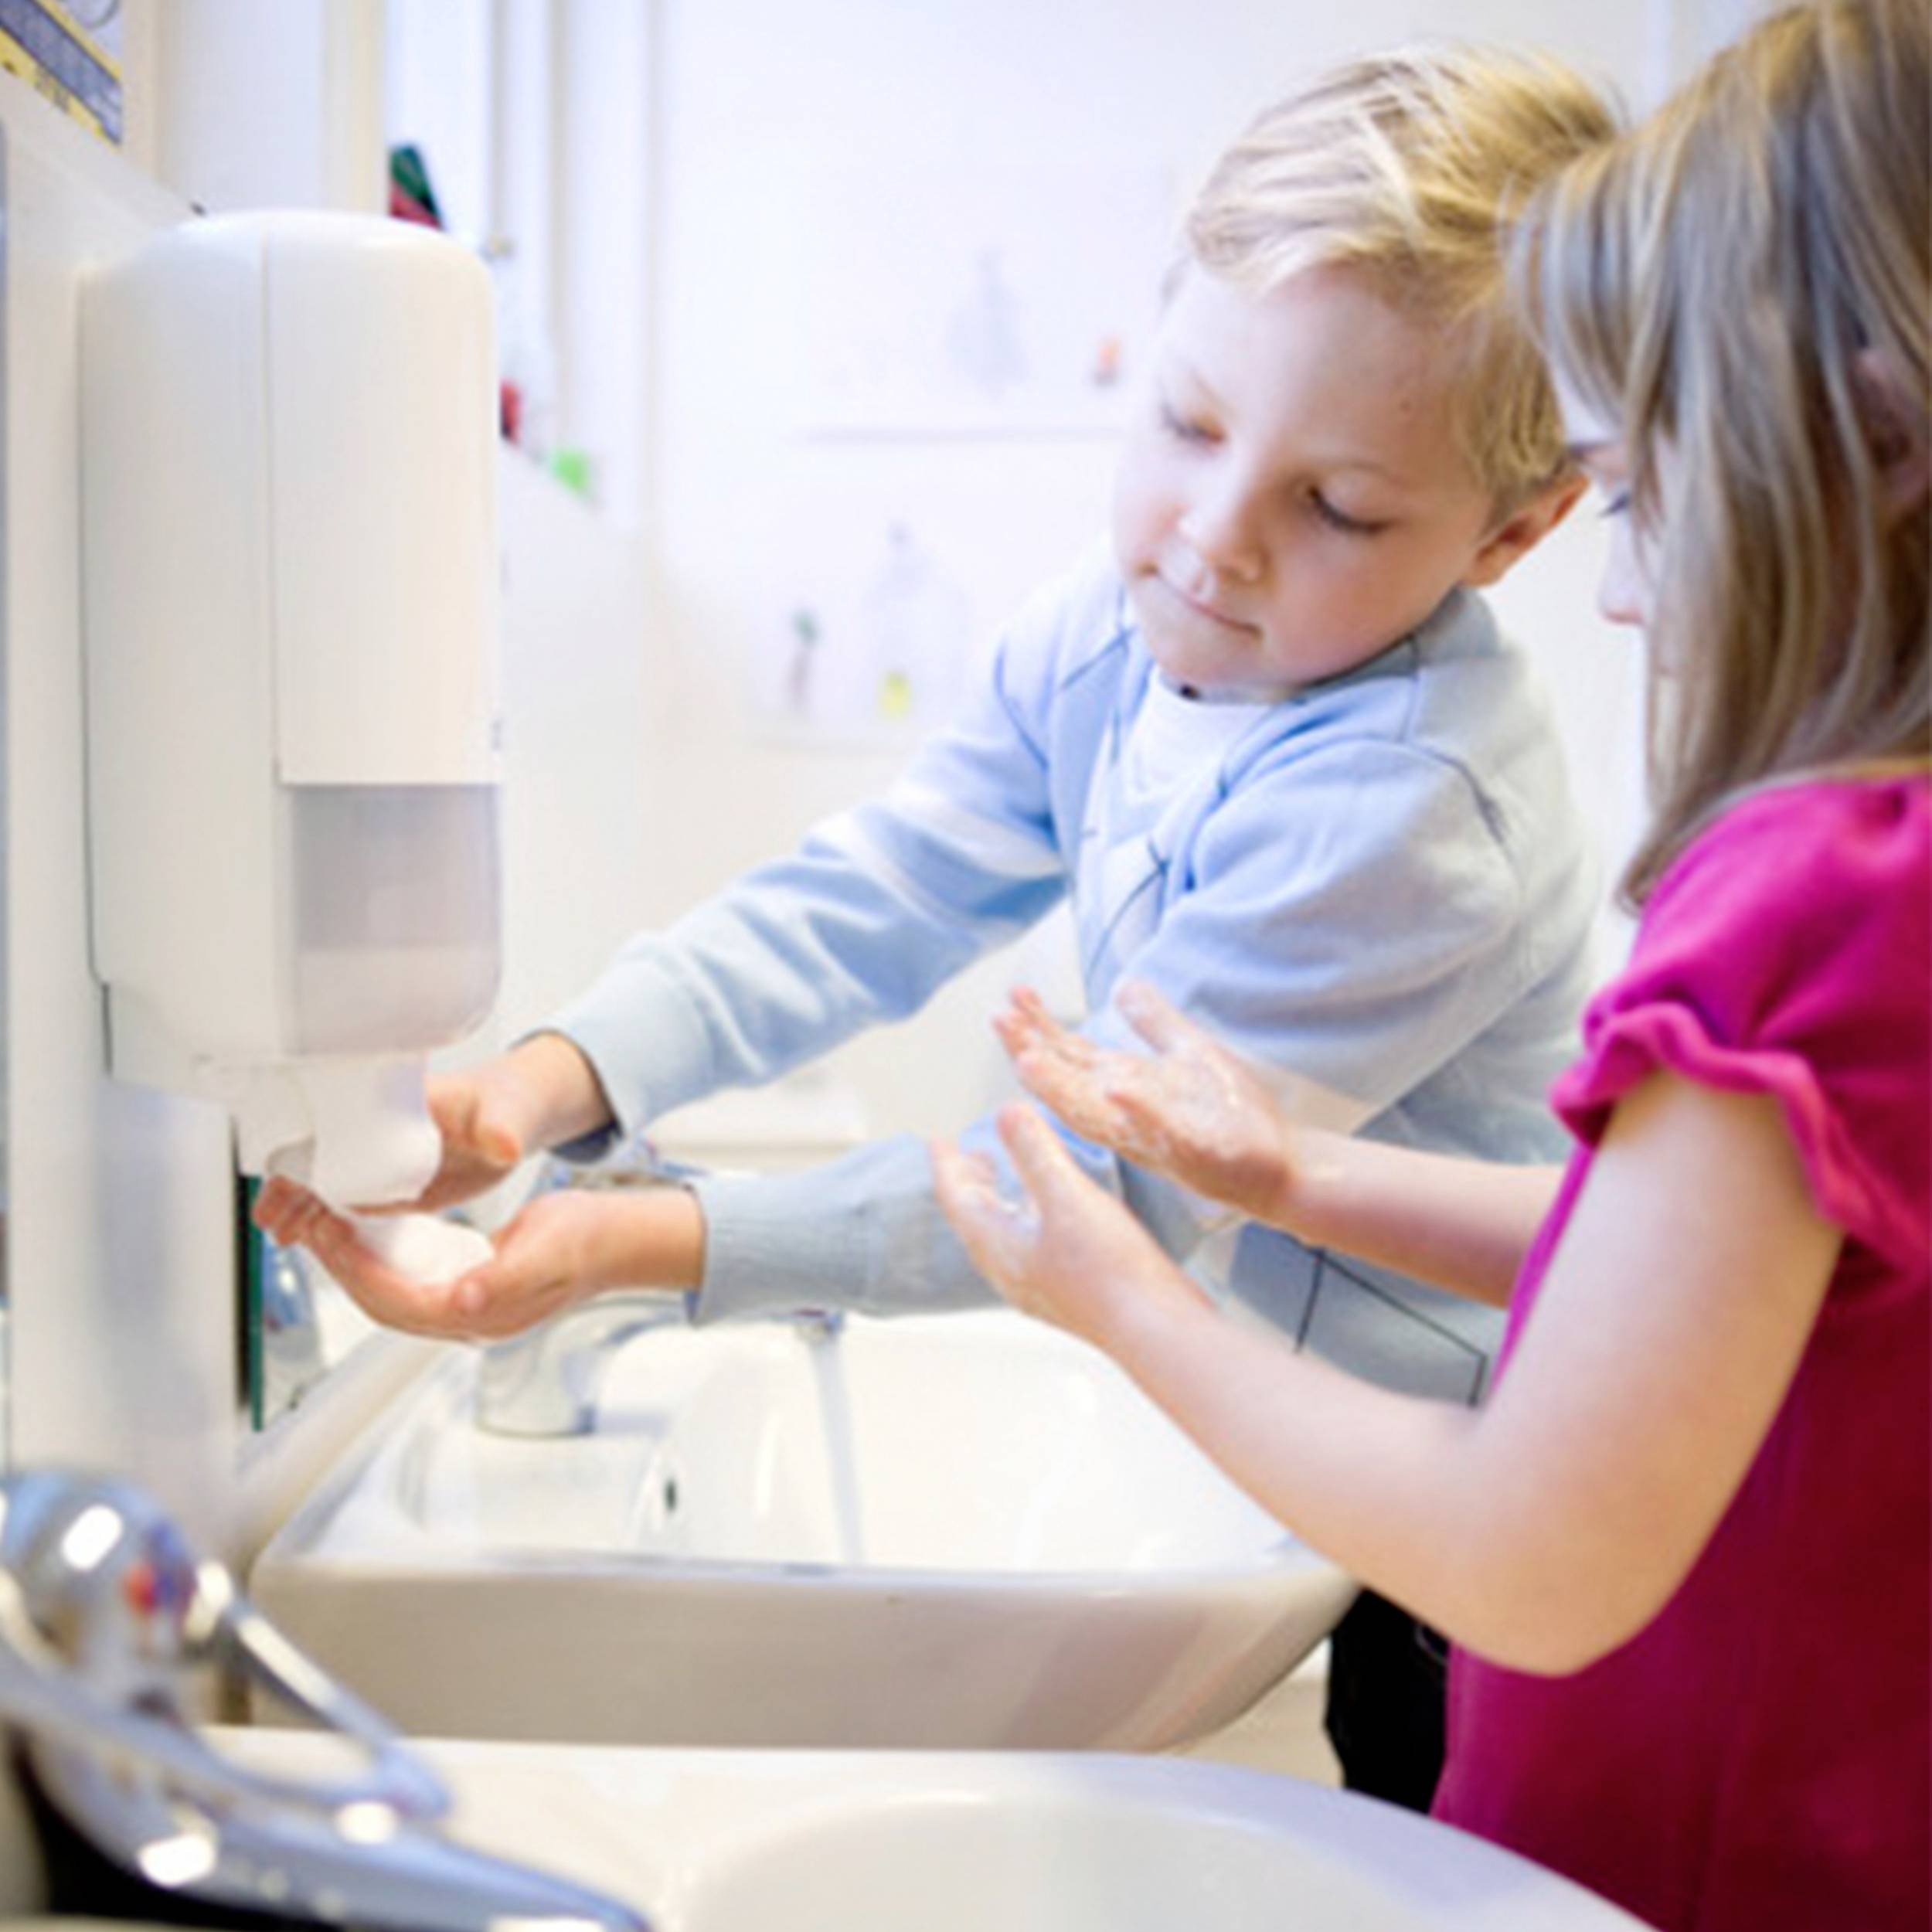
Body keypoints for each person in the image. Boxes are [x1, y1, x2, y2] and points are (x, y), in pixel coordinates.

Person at [257, 46, 1617, 1807]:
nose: (1210, 540)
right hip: (1308, 1440)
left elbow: (1087, 1190)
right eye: (1189, 423)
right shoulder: (1108, 631)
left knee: (1446, 1834)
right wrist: (551, 1074)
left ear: (1511, 532)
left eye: (1336, 506)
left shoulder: (1414, 808)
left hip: (1469, 1492)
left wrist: (634, 1241)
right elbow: (883, 890)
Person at [930, 3, 1929, 1926]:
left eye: (1636, 495)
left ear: (1871, 445)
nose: (1624, 586)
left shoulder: (1812, 895)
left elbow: (1529, 1551)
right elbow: (1713, 1286)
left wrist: (1126, 1297)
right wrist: (1290, 1176)